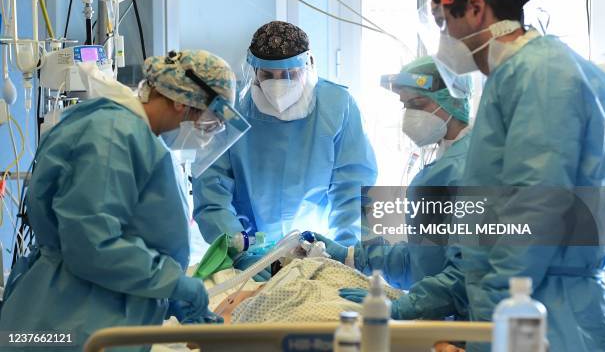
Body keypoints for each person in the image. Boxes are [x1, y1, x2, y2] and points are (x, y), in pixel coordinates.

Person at [0, 50, 249, 350]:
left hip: (94, 314)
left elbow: (135, 237)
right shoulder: (111, 135)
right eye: (211, 122)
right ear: (182, 101)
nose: (207, 135)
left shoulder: (140, 139)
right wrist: (173, 283)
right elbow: (91, 243)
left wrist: (169, 297)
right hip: (64, 322)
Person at [425, 0, 605, 352]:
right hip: (526, 302)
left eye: (443, 21)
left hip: (546, 312)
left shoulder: (542, 74)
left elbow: (536, 203)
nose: (441, 35)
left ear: (475, 8)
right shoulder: (513, 76)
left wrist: (500, 303)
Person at [193, 21, 377, 253]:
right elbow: (211, 189)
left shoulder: (337, 105)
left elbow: (353, 189)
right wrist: (236, 246)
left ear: (308, 66)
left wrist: (344, 252)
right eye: (268, 75)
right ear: (254, 71)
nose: (278, 85)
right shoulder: (232, 109)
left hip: (317, 247)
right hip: (248, 247)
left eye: (289, 74)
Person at [315, 56, 471, 324]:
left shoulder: (470, 168)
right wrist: (351, 256)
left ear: (452, 100)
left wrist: (403, 306)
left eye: (418, 104)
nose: (410, 115)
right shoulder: (442, 163)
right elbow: (422, 259)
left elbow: (466, 273)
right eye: (405, 106)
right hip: (444, 318)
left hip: (467, 323)